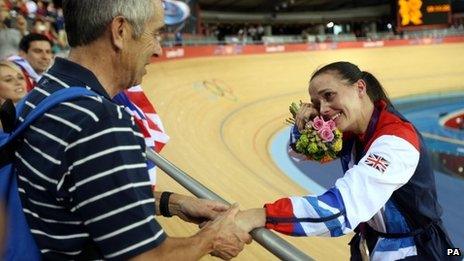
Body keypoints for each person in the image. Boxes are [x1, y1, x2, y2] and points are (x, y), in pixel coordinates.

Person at [13, 0, 250, 259]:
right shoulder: (101, 122)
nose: (159, 49)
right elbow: (146, 256)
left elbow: (80, 191)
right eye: (156, 33)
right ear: (120, 31)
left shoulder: (46, 91)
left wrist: (172, 203)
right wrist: (211, 238)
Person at [236, 61, 458, 260]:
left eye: (329, 96)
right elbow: (305, 154)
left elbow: (339, 211)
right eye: (316, 102)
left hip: (419, 251)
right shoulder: (353, 130)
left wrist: (262, 215)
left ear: (360, 88)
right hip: (372, 244)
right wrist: (303, 126)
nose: (322, 109)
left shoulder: (395, 142)